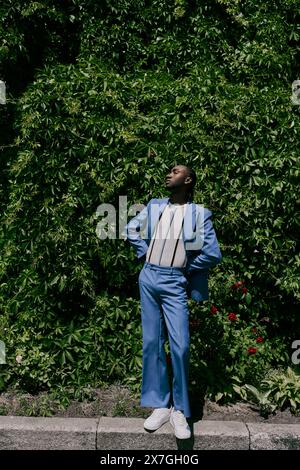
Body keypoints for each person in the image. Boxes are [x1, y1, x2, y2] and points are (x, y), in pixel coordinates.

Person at [124, 164, 222, 439]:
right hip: (148, 278)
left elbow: (213, 254)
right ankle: (160, 405)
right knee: (152, 342)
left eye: (176, 171)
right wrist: (144, 252)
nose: (169, 174)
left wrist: (187, 267)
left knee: (181, 346)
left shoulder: (198, 214)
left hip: (174, 282)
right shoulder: (155, 206)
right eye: (169, 171)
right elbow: (131, 228)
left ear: (188, 180)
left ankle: (180, 409)